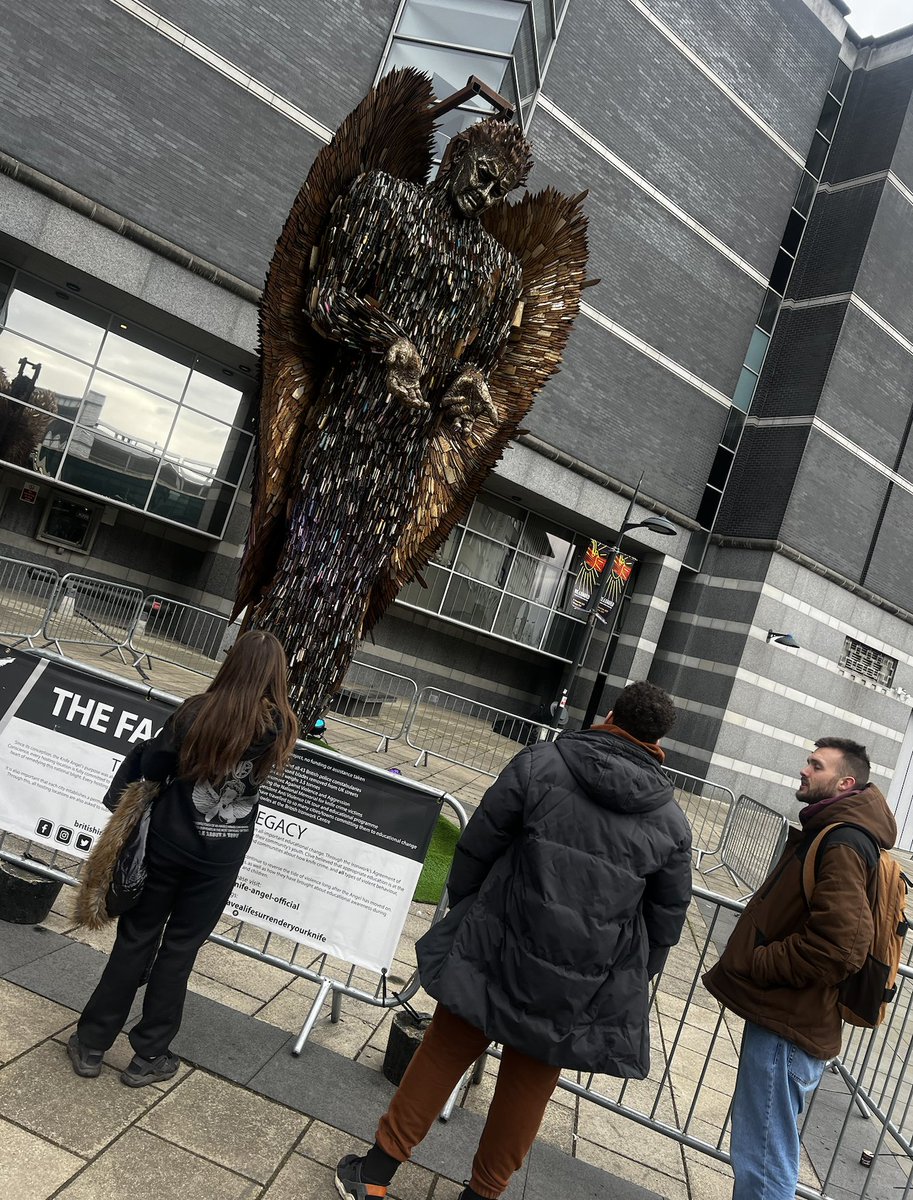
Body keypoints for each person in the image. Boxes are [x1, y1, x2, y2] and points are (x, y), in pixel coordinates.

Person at [336, 680, 692, 1200]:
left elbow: (478, 843)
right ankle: (482, 1195)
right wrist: (632, 972)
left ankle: (374, 1177)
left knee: (442, 1054)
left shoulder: (540, 764)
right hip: (581, 977)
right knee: (529, 1088)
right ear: (658, 742)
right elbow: (666, 920)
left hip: (498, 940)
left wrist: (468, 909)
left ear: (611, 715)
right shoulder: (671, 822)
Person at [67, 630, 298, 1086]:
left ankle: (92, 1045)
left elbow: (154, 766)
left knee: (136, 939)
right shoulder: (283, 727)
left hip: (168, 844)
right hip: (221, 856)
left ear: (232, 664)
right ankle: (149, 1055)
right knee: (181, 948)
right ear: (277, 674)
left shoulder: (197, 711)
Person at [703, 737, 896, 1200]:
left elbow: (842, 945)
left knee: (765, 1166)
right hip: (789, 1020)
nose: (804, 770)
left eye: (816, 765)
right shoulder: (832, 831)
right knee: (762, 1156)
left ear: (845, 782)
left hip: (788, 1026)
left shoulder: (843, 841)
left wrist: (761, 961)